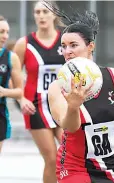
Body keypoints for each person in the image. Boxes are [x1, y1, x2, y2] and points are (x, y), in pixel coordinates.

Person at [45, 2, 114, 183]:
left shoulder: (112, 76)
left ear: (91, 47)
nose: (67, 51)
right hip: (77, 166)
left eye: (73, 45)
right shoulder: (58, 88)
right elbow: (71, 127)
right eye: (63, 46)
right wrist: (74, 106)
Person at [13, 1, 65, 183]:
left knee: (70, 153)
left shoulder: (65, 41)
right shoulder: (24, 44)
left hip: (61, 106)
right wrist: (20, 99)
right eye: (37, 12)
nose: (41, 15)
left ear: (54, 15)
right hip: (35, 107)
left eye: (45, 11)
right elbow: (15, 74)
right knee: (51, 158)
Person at [0, 16, 22, 153]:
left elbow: (20, 91)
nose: (5, 36)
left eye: (7, 32)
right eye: (1, 31)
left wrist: (4, 91)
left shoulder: (11, 57)